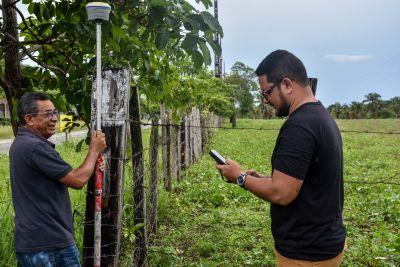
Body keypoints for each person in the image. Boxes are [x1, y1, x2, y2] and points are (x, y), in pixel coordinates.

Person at [217, 50, 346, 266]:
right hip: (324, 244)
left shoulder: (299, 126)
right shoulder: (320, 116)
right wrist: (263, 178)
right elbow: (302, 181)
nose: (265, 101)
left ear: (286, 84)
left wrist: (239, 177)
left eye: (266, 93)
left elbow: (282, 193)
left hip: (305, 253)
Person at [9, 92, 106, 266]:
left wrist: (93, 163)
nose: (54, 118)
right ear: (29, 119)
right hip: (49, 244)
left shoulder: (22, 143)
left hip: (36, 243)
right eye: (48, 114)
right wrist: (94, 151)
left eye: (55, 112)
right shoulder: (35, 147)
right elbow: (77, 180)